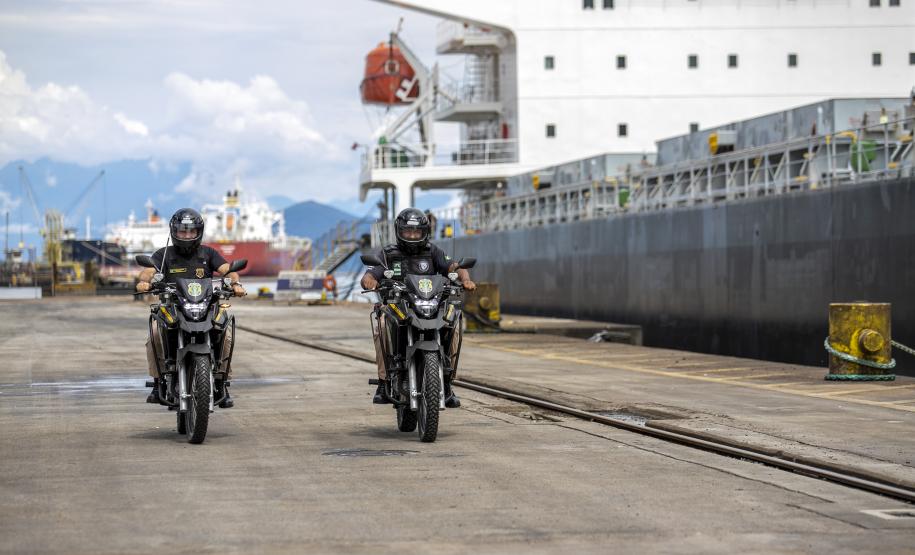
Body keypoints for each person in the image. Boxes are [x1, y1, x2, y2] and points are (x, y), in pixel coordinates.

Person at [360, 207, 476, 408]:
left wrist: (465, 280)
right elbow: (370, 274)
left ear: (425, 232)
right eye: (408, 231)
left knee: (454, 323)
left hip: (431, 304)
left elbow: (455, 267)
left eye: (417, 232)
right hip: (398, 306)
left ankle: (447, 383)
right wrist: (369, 281)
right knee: (380, 323)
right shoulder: (388, 253)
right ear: (399, 231)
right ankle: (383, 380)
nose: (412, 236)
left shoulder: (433, 251)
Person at [136, 208, 246, 407]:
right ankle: (157, 380)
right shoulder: (164, 254)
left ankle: (222, 382)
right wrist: (145, 282)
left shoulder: (208, 253)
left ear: (199, 232)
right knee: (154, 333)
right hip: (173, 307)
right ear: (174, 232)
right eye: (182, 231)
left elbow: (228, 271)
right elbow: (147, 271)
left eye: (191, 231)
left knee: (226, 333)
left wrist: (235, 284)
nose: (187, 235)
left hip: (206, 306)